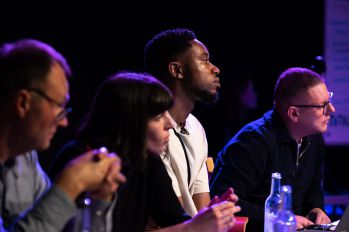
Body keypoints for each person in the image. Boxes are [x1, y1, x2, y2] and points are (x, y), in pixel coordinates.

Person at [50, 71, 241, 232]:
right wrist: (191, 228)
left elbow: (174, 219)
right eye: (159, 116)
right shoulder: (79, 159)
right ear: (130, 122)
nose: (169, 124)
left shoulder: (147, 160)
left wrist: (208, 218)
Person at [0, 38, 125, 231]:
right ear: (22, 103)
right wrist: (70, 184)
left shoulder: (26, 159)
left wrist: (97, 199)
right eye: (59, 106)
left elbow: (59, 226)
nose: (64, 121)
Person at [210, 67, 334, 231]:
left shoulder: (313, 137)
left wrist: (316, 209)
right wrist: (279, 219)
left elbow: (313, 189)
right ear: (294, 114)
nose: (331, 110)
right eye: (322, 106)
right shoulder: (253, 143)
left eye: (329, 101)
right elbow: (224, 201)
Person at [144, 28, 229, 217]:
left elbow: (201, 208)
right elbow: (172, 216)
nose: (215, 69)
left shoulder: (195, 127)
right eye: (204, 60)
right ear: (176, 70)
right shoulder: (153, 131)